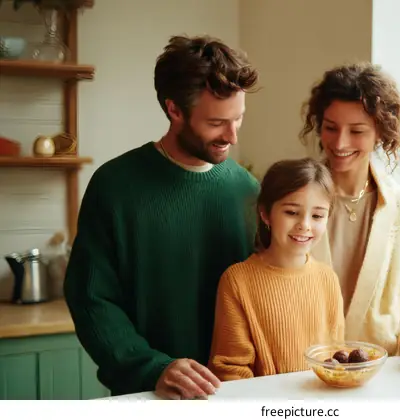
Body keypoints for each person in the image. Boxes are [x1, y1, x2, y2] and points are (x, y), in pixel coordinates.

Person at [63, 35, 260, 400]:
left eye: (239, 119)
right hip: (149, 396)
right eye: (216, 122)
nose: (231, 136)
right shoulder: (115, 186)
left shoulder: (247, 190)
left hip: (236, 395)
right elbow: (91, 298)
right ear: (174, 110)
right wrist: (151, 367)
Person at [299, 62, 400, 361]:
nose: (340, 142)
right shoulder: (293, 201)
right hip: (304, 368)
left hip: (380, 371)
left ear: (380, 133)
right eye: (330, 127)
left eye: (357, 130)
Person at [208, 158, 345, 381]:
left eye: (318, 215)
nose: (305, 225)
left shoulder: (327, 278)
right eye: (291, 212)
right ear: (265, 214)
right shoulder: (237, 280)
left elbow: (334, 359)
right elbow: (230, 370)